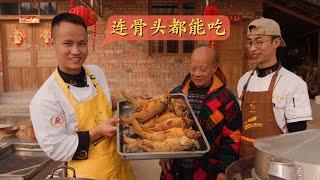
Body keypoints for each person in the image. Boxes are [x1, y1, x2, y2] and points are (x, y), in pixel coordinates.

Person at [29, 13, 134, 180]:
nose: (76, 51)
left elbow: (105, 100)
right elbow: (57, 148)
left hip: (119, 166)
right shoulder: (46, 98)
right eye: (68, 44)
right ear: (52, 43)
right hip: (87, 174)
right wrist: (97, 132)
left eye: (81, 43)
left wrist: (130, 100)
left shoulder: (96, 72)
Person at [160, 46, 242, 180]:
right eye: (193, 68)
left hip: (208, 170)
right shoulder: (177, 94)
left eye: (203, 69)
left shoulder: (225, 99)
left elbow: (233, 138)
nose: (197, 74)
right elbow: (163, 127)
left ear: (214, 68)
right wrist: (163, 154)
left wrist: (223, 169)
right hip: (175, 169)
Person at [237, 18, 313, 158]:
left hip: (277, 161)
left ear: (276, 42)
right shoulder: (244, 81)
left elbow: (297, 135)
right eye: (249, 42)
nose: (252, 48)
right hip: (245, 159)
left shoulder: (293, 83)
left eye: (259, 42)